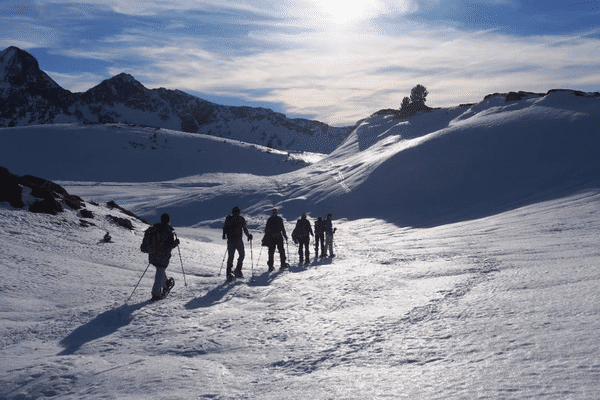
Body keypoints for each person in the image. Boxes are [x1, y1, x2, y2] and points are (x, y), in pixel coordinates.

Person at [148, 213, 179, 301]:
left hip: (153, 254)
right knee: (160, 271)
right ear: (168, 220)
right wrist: (176, 243)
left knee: (159, 270)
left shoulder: (155, 228)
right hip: (163, 256)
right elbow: (169, 246)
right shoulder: (168, 231)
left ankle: (166, 284)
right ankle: (156, 294)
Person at [222, 206, 253, 282]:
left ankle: (229, 273)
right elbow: (245, 229)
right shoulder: (241, 219)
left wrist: (224, 235)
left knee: (231, 257)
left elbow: (225, 228)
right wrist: (248, 235)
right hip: (238, 240)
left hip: (232, 240)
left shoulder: (229, 218)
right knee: (241, 255)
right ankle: (237, 271)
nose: (236, 214)